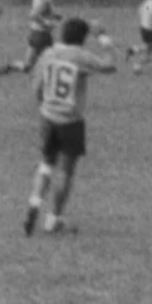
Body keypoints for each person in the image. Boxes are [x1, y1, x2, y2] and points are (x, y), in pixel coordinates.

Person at [23, 18, 117, 236]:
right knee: (65, 171)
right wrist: (103, 37)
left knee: (46, 164)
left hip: (47, 116)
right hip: (70, 120)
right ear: (83, 38)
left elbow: (36, 86)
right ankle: (52, 220)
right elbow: (110, 65)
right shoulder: (80, 56)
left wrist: (44, 105)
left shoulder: (48, 54)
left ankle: (34, 204)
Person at [0, 0, 62, 79]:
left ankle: (10, 67)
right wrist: (46, 23)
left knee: (27, 66)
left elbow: (41, 10)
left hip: (34, 34)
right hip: (43, 36)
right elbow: (34, 15)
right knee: (53, 63)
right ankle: (46, 85)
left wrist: (54, 15)